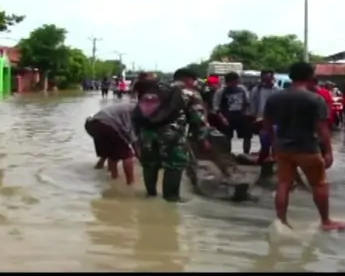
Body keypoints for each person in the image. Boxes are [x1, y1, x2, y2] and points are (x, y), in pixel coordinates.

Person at [263, 61, 345, 231]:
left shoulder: (274, 98)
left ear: (291, 76)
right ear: (310, 76)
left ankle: (282, 222)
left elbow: (267, 125)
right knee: (319, 184)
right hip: (307, 147)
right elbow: (322, 129)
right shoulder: (315, 99)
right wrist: (329, 152)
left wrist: (274, 143)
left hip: (283, 148)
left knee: (283, 184)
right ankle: (326, 221)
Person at [133, 68, 210, 202]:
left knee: (150, 164)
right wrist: (201, 139)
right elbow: (198, 119)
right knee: (174, 164)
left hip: (147, 134)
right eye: (194, 80)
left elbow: (138, 113)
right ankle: (171, 199)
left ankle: (150, 195)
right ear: (188, 79)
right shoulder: (190, 93)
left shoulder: (154, 89)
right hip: (172, 135)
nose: (194, 83)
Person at [85, 102, 137, 184]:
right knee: (128, 155)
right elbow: (131, 135)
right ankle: (130, 183)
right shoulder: (136, 112)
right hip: (106, 125)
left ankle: (114, 177)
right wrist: (138, 153)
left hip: (91, 124)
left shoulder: (128, 106)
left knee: (112, 153)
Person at [212, 71, 252, 155]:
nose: (236, 83)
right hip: (227, 116)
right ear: (229, 82)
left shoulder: (242, 89)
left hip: (241, 115)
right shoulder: (221, 91)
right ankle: (228, 155)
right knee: (227, 137)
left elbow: (247, 102)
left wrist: (247, 114)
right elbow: (216, 106)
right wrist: (222, 118)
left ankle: (246, 154)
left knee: (247, 136)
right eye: (235, 81)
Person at [249, 69, 280, 162]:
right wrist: (254, 116)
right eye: (265, 78)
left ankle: (275, 158)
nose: (267, 80)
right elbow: (252, 103)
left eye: (269, 78)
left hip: (275, 118)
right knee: (264, 139)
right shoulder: (256, 90)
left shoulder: (277, 90)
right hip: (261, 118)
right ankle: (264, 156)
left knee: (275, 139)